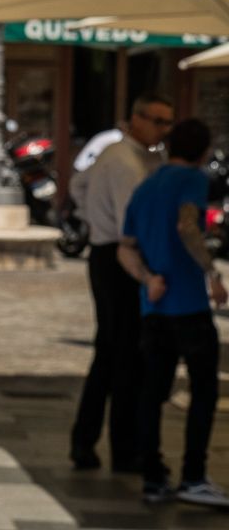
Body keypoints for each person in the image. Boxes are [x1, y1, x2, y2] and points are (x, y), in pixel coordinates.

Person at [119, 118, 228, 507]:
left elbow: (125, 246)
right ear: (202, 151)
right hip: (187, 304)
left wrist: (147, 278)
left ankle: (153, 476)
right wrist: (212, 273)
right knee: (203, 391)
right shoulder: (193, 181)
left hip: (154, 305)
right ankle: (194, 476)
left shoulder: (147, 186)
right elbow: (188, 226)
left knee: (153, 391)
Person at [67, 93, 173, 472]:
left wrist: (93, 216)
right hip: (118, 258)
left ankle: (94, 441)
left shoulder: (141, 157)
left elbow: (78, 187)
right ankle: (117, 447)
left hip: (111, 252)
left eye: (168, 123)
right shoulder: (123, 160)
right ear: (137, 119)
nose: (164, 130)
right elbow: (135, 220)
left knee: (115, 353)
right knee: (123, 354)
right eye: (158, 121)